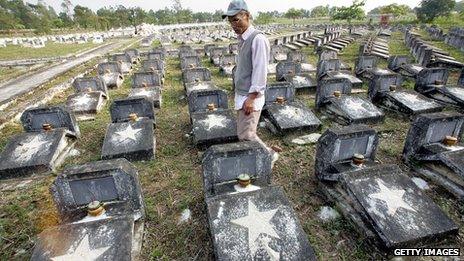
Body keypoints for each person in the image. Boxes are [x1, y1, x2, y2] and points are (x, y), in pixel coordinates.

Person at [222, 0, 281, 167]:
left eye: (236, 19)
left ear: (247, 16)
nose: (233, 24)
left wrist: (251, 98)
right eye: (230, 20)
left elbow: (260, 71)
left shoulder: (258, 39)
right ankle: (258, 157)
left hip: (250, 97)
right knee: (244, 132)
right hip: (243, 94)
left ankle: (268, 156)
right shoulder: (243, 38)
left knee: (247, 134)